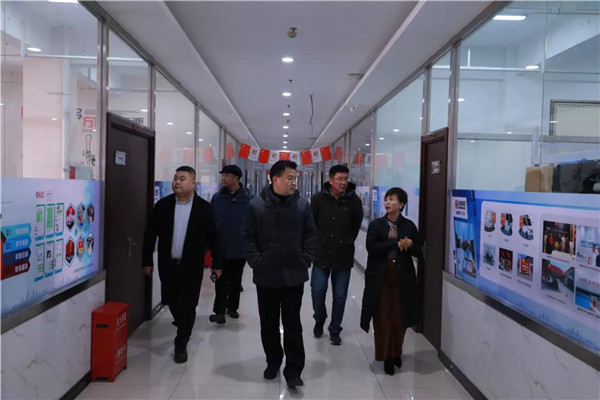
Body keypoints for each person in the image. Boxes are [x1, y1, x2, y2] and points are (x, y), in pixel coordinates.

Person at [242, 160, 316, 389]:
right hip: (267, 276)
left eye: (295, 178)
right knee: (269, 324)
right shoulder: (256, 206)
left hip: (294, 275)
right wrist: (257, 262)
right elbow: (248, 238)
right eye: (290, 178)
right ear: (275, 179)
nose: (294, 182)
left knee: (293, 324)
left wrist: (305, 259)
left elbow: (311, 235)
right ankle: (273, 361)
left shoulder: (302, 205)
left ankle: (294, 370)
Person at [143, 166, 221, 364]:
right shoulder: (163, 206)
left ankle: (182, 341)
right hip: (168, 265)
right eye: (175, 178)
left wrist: (217, 263)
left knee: (188, 303)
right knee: (170, 300)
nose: (177, 182)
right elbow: (150, 234)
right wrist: (147, 260)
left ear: (193, 183)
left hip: (191, 265)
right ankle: (182, 323)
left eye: (182, 178)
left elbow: (214, 237)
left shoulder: (204, 208)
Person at [360, 187, 422, 376]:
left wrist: (411, 244)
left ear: (401, 204)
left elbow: (418, 252)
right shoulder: (376, 225)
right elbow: (372, 247)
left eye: (392, 199)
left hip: (402, 277)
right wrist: (395, 243)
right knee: (382, 318)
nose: (387, 202)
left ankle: (396, 352)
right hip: (381, 277)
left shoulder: (409, 226)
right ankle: (386, 356)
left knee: (399, 318)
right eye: (386, 199)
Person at [309, 164, 362, 345]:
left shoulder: (354, 202)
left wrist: (345, 241)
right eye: (339, 179)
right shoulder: (318, 199)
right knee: (317, 291)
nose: (343, 182)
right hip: (321, 254)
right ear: (330, 180)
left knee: (340, 295)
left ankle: (334, 329)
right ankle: (319, 318)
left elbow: (355, 227)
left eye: (346, 179)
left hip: (343, 255)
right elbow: (311, 224)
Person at [209, 164, 253, 324]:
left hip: (240, 247)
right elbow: (211, 221)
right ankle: (219, 311)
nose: (224, 178)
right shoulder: (217, 198)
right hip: (220, 246)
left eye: (227, 175)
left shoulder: (248, 199)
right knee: (220, 279)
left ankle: (232, 307)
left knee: (235, 280)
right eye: (223, 175)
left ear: (236, 178)